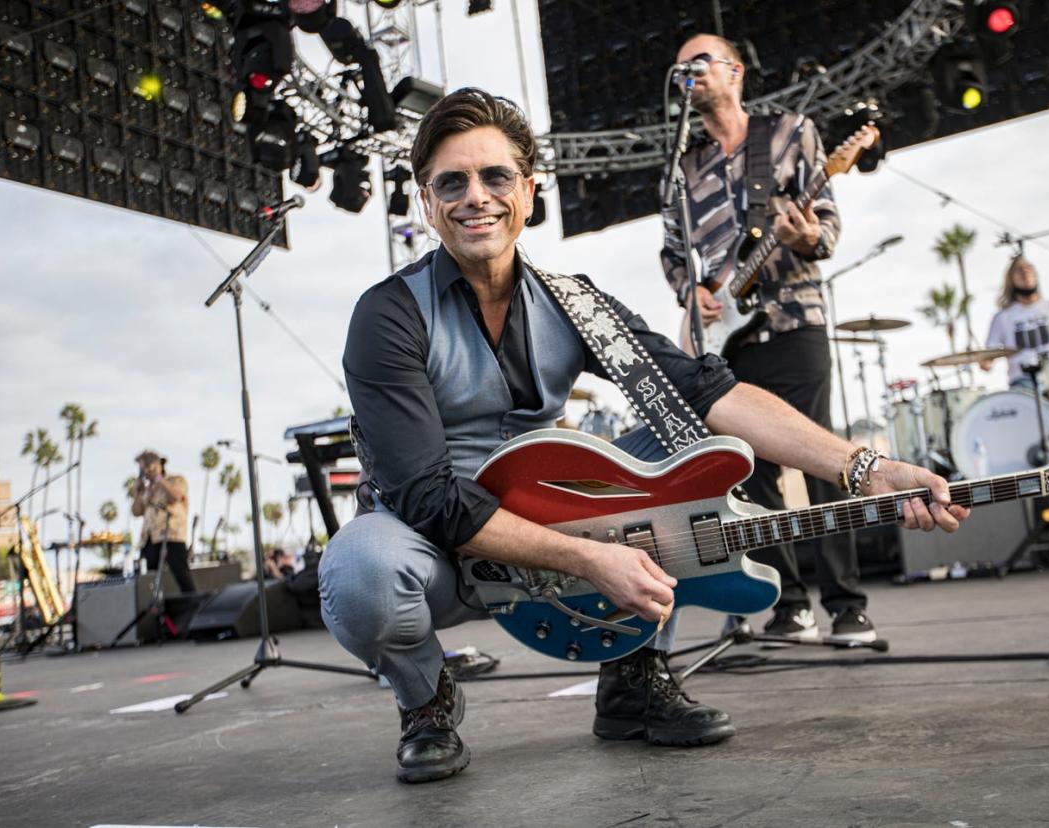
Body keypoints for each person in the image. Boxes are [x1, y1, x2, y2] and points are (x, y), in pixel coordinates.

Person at [318, 87, 969, 785]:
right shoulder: (388, 315)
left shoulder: (576, 301)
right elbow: (426, 496)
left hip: (551, 520)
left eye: (495, 176)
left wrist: (864, 467)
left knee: (688, 448)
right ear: (426, 202)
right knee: (360, 573)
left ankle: (632, 679)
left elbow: (707, 391)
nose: (475, 196)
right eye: (453, 182)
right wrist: (590, 560)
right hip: (435, 550)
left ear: (529, 193)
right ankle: (425, 702)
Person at [658, 33, 872, 645]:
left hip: (793, 320)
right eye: (681, 68)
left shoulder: (790, 133)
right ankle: (789, 603)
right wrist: (689, 292)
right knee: (748, 474)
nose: (689, 72)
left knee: (825, 459)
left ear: (735, 71)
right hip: (725, 339)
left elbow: (825, 227)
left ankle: (848, 603)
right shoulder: (683, 164)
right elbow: (674, 250)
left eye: (700, 62)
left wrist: (804, 237)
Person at [979, 256, 1049, 387]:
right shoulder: (1002, 317)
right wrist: (985, 362)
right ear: (1010, 280)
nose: (1025, 272)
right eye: (1019, 270)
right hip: (1023, 379)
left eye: (1029, 268)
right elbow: (988, 356)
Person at [129, 450, 195, 593]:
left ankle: (193, 607)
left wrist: (159, 478)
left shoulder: (175, 480)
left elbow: (176, 496)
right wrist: (138, 493)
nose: (145, 472)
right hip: (150, 539)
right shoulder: (147, 490)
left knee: (182, 576)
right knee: (150, 582)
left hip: (171, 536)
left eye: (147, 468)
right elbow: (136, 511)